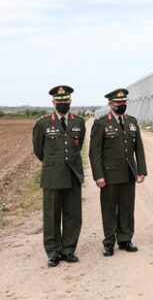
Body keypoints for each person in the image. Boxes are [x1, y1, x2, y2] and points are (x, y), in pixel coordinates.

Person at [32, 85, 86, 267]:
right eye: (59, 101)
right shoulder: (42, 124)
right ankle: (53, 252)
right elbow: (39, 151)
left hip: (72, 174)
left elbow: (77, 147)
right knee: (51, 215)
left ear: (70, 101)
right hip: (52, 176)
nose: (62, 103)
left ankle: (68, 249)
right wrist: (54, 163)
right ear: (53, 102)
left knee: (73, 215)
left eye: (65, 100)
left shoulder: (79, 122)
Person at [89, 88, 147, 256]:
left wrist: (141, 170)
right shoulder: (101, 123)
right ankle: (109, 242)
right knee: (109, 208)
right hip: (109, 175)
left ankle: (125, 239)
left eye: (123, 102)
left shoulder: (132, 122)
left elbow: (139, 148)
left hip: (128, 173)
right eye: (118, 103)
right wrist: (98, 175)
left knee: (127, 208)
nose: (121, 105)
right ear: (110, 104)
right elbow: (94, 153)